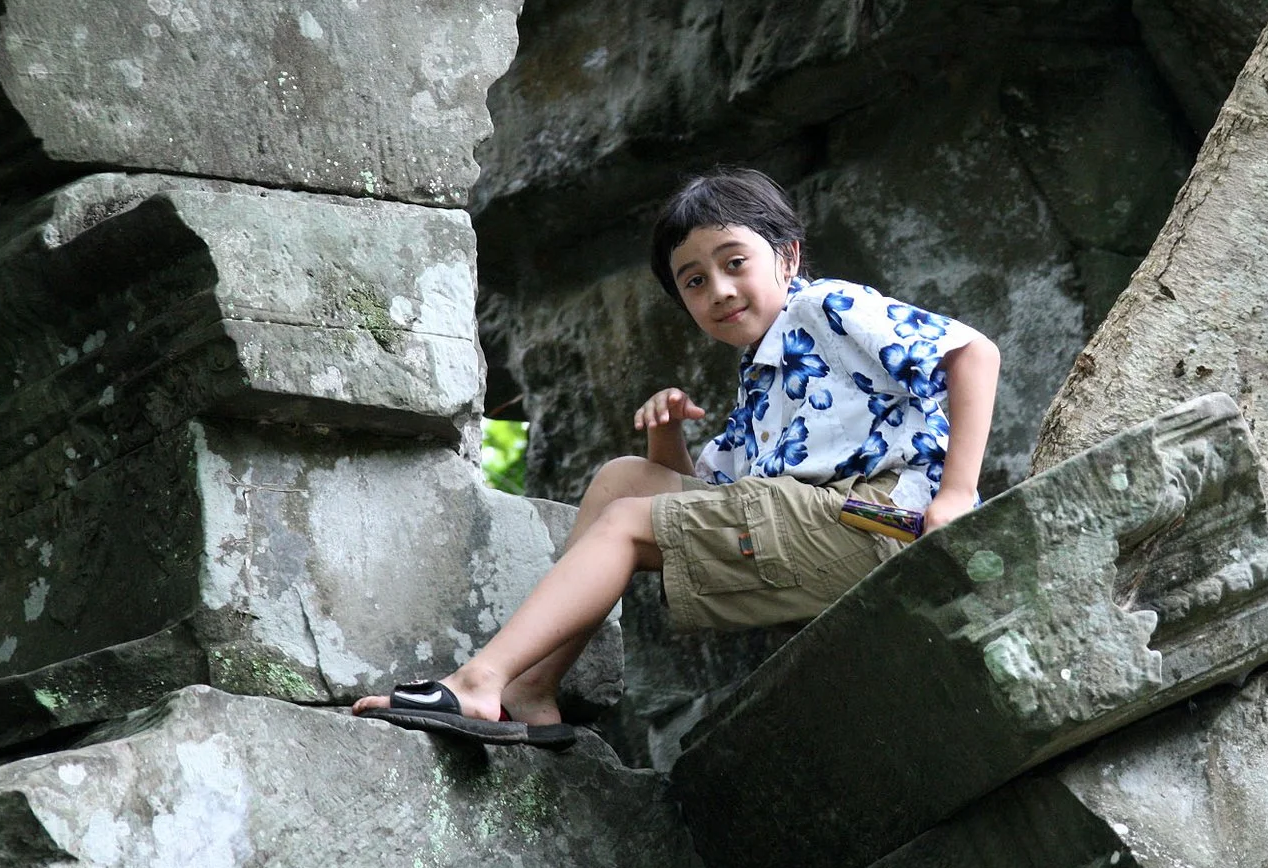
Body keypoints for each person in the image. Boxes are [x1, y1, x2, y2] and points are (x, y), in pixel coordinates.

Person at [354, 167, 1000, 746]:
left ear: (787, 256)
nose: (719, 290)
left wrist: (953, 497)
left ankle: (480, 681)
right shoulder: (761, 374)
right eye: (695, 281)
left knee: (627, 522)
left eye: (734, 262)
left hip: (881, 522)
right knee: (623, 482)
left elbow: (974, 353)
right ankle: (531, 688)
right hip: (817, 523)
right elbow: (714, 513)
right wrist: (666, 439)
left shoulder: (823, 306)